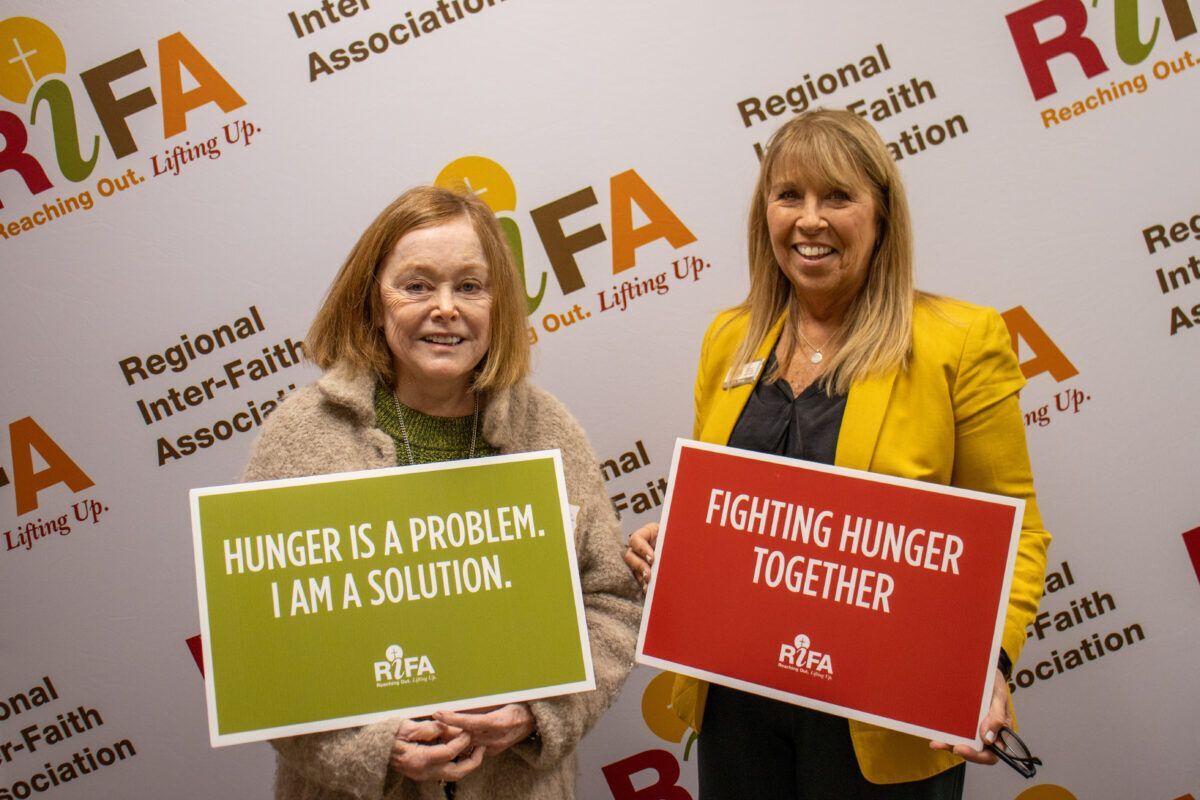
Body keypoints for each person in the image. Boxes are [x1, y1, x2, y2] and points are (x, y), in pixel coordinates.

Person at [623, 109, 1051, 798]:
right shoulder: (728, 339)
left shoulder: (959, 341)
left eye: (838, 197)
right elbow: (731, 512)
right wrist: (674, 545)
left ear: (882, 215)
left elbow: (1016, 532)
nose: (809, 220)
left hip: (883, 711)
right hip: (739, 699)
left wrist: (988, 664)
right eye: (789, 195)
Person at [243, 185, 642, 800]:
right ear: (373, 302)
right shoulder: (301, 436)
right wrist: (371, 747)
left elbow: (610, 601)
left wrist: (541, 709)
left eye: (470, 286)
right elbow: (259, 649)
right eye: (417, 285)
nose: (446, 308)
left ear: (498, 306)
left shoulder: (549, 429)